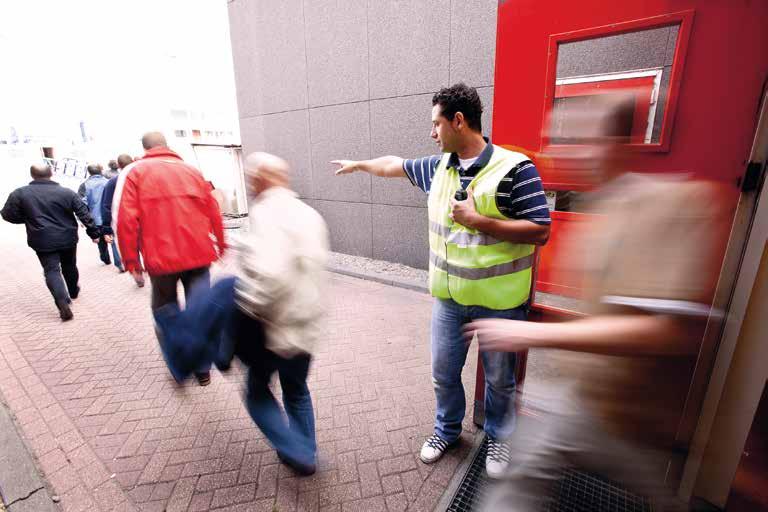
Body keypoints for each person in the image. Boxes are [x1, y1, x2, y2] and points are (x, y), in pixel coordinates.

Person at [465, 100, 729, 511]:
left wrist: (534, 332)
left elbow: (665, 331)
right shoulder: (602, 208)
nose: (568, 153)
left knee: (660, 495)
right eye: (564, 142)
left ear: (617, 142)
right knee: (526, 471)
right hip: (586, 403)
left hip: (641, 422)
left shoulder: (675, 207)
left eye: (581, 141)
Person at [332, 83, 550, 477]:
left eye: (436, 124)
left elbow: (540, 230)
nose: (432, 133)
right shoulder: (438, 167)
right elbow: (394, 165)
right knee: (443, 373)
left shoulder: (515, 169)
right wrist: (361, 165)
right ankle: (447, 431)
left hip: (500, 302)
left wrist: (480, 221)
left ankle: (499, 439)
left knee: (500, 381)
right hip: (449, 301)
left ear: (458, 121)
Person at [153, 152, 329, 475]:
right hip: (306, 327)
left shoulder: (266, 214)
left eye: (251, 180)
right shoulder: (309, 213)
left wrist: (245, 303)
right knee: (296, 389)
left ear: (262, 180)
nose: (250, 185)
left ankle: (299, 452)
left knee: (257, 392)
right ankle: (307, 448)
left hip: (273, 328)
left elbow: (271, 276)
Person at [114, 132, 226, 386]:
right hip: (199, 254)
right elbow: (213, 210)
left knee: (165, 311)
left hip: (161, 258)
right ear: (167, 146)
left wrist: (131, 261)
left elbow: (125, 220)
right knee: (200, 309)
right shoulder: (191, 171)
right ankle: (202, 368)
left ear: (144, 149)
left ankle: (179, 366)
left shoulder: (135, 173)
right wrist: (221, 243)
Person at [1, 164, 101, 320]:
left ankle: (62, 301)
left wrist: (29, 219)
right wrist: (94, 233)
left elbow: (7, 214)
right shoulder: (66, 192)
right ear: (51, 173)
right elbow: (84, 213)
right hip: (67, 237)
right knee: (69, 265)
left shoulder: (20, 193)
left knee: (51, 270)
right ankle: (73, 291)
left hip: (41, 239)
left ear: (32, 175)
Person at [100, 154, 134, 272]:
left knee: (121, 242)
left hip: (121, 219)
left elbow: (106, 206)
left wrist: (106, 228)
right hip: (142, 218)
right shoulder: (142, 177)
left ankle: (127, 266)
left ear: (119, 166)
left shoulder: (112, 182)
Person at [79, 163, 111, 265]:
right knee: (113, 238)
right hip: (110, 216)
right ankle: (118, 259)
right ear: (101, 170)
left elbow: (82, 204)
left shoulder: (84, 185)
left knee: (101, 242)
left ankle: (105, 258)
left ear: (89, 172)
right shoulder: (108, 182)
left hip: (95, 219)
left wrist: (82, 220)